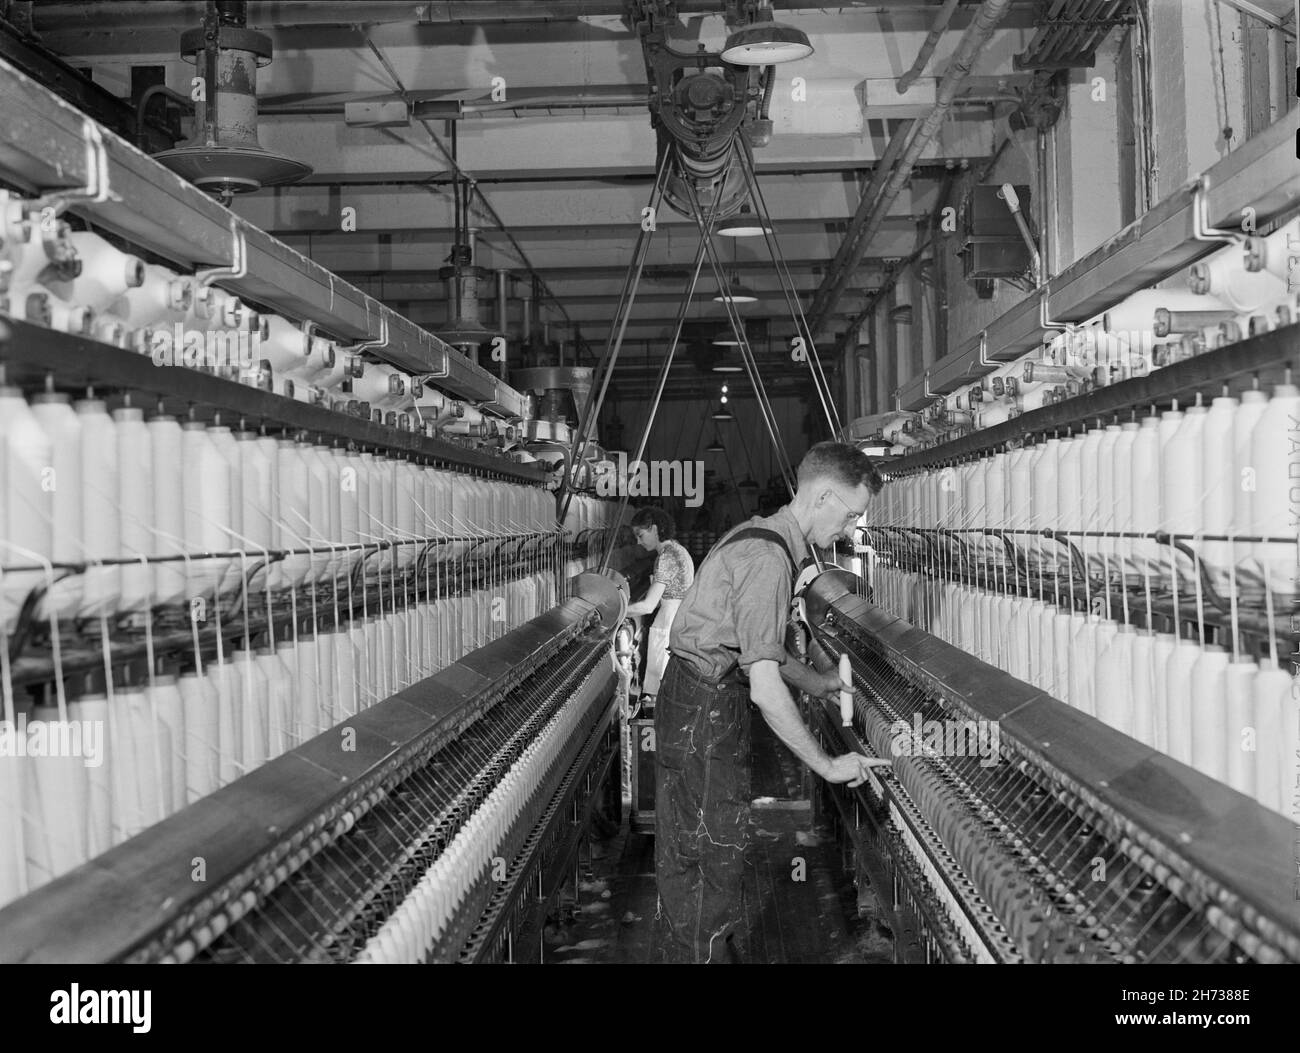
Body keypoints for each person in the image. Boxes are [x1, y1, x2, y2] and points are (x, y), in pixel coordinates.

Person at [653, 441, 890, 964]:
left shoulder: (763, 535)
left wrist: (819, 683)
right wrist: (827, 765)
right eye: (850, 515)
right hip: (704, 709)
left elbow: (764, 648)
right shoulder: (768, 558)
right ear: (823, 496)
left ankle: (702, 953)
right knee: (711, 856)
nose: (850, 531)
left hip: (691, 698)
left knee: (689, 856)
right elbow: (762, 684)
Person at [625, 507, 694, 705]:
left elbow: (648, 606)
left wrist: (617, 611)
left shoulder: (666, 557)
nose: (638, 542)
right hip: (679, 620)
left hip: (669, 623)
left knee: (662, 694)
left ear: (654, 529)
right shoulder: (678, 550)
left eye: (640, 535)